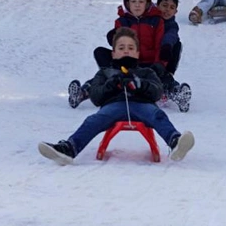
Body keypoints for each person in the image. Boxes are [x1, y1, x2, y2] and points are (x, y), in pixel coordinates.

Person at [39, 27, 195, 165]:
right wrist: (111, 84)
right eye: (121, 47)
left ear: (137, 53)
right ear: (113, 53)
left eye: (130, 47)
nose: (126, 51)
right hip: (114, 106)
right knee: (93, 120)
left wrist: (140, 84)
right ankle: (69, 148)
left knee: (157, 115)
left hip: (143, 105)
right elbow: (95, 97)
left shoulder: (146, 72)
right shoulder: (105, 72)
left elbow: (157, 92)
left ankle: (175, 142)